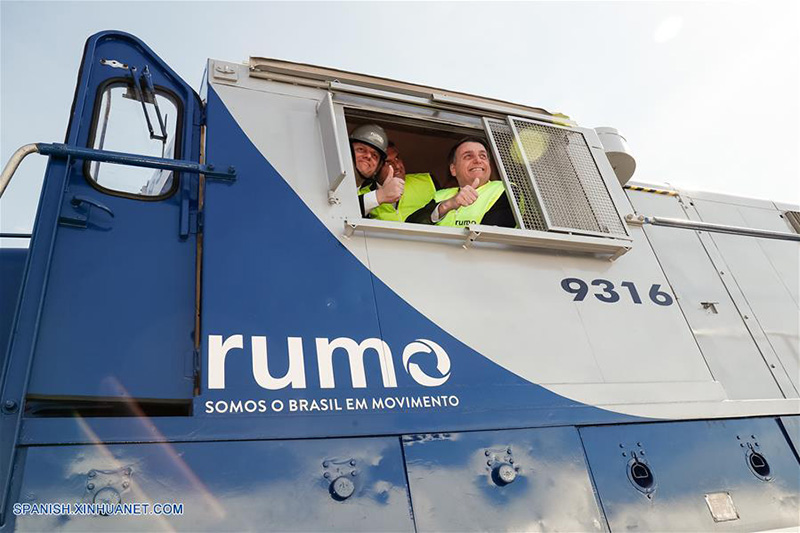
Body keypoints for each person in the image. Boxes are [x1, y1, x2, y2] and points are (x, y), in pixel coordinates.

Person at [431, 137, 516, 228]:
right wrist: (446, 206)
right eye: (468, 156)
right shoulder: (439, 195)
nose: (478, 160)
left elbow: (491, 237)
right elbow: (415, 223)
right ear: (453, 169)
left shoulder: (506, 189)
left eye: (483, 156)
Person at [360, 142, 436, 223]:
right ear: (375, 169)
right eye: (388, 162)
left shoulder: (427, 181)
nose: (397, 166)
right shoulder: (364, 195)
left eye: (397, 158)